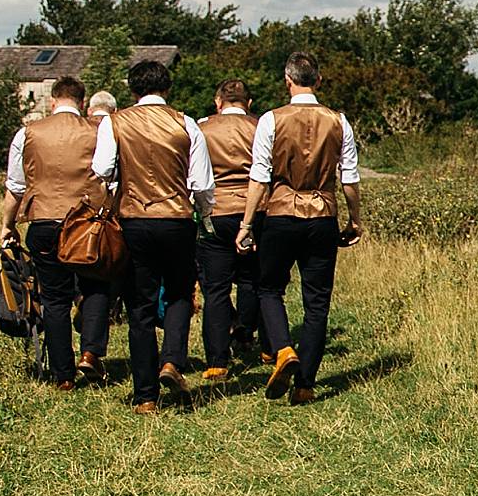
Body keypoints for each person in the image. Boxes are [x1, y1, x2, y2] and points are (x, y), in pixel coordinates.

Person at [237, 48, 362, 404]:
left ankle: (283, 351)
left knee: (269, 287)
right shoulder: (339, 120)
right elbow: (349, 178)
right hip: (322, 214)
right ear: (318, 80)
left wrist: (247, 223)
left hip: (280, 212)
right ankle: (305, 383)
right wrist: (355, 219)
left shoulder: (271, 120)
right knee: (317, 302)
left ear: (287, 80)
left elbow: (259, 177)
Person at [0, 63, 117, 389]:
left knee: (54, 298)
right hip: (87, 222)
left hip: (45, 221)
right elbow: (112, 177)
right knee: (95, 286)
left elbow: (15, 187)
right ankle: (90, 353)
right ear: (81, 102)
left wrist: (7, 225)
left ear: (52, 101)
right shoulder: (98, 130)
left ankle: (62, 375)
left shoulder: (28, 133)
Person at [110, 50, 212, 416]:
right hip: (177, 218)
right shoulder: (186, 123)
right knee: (181, 290)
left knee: (139, 303)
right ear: (168, 87)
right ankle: (172, 359)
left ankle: (145, 396)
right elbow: (201, 182)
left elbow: (103, 169)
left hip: (134, 218)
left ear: (133, 89)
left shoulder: (115, 122)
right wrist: (205, 212)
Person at [196, 77, 264, 385]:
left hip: (216, 209)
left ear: (217, 102)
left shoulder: (201, 128)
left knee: (216, 288)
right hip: (254, 209)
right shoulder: (260, 126)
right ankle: (247, 330)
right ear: (248, 103)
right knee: (251, 278)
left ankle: (217, 360)